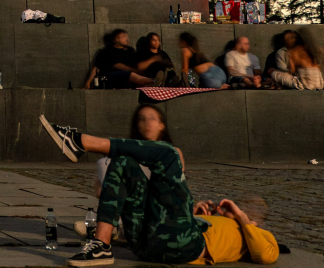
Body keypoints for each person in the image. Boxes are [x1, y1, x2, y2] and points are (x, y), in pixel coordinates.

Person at [46, 105, 279, 267]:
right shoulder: (218, 222)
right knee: (123, 162)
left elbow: (266, 256)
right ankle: (101, 244)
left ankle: (81, 142)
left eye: (249, 209)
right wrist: (194, 212)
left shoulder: (261, 235)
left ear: (257, 221)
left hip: (187, 245)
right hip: (147, 241)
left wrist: (241, 217)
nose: (233, 209)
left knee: (169, 153)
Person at [86, 29, 151, 89]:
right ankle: (154, 81)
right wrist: (88, 82)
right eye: (122, 37)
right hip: (111, 77)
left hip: (128, 77)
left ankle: (153, 83)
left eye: (126, 36)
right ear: (114, 39)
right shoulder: (107, 51)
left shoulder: (130, 50)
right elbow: (97, 67)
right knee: (131, 75)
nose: (125, 39)